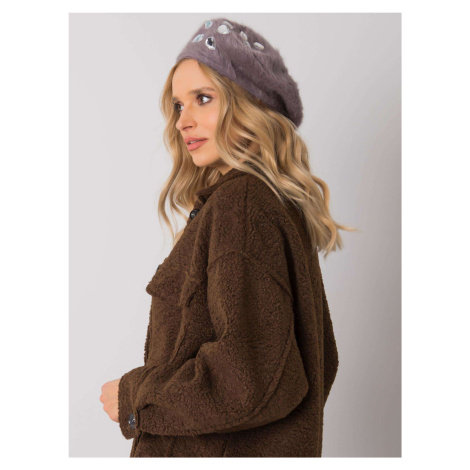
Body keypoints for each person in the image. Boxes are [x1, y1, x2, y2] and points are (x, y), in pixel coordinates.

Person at [100, 17, 356, 457]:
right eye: (178, 105)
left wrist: (135, 396)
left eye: (203, 99)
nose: (183, 121)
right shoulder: (269, 203)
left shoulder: (242, 204)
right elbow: (317, 362)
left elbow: (248, 375)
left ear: (251, 104)